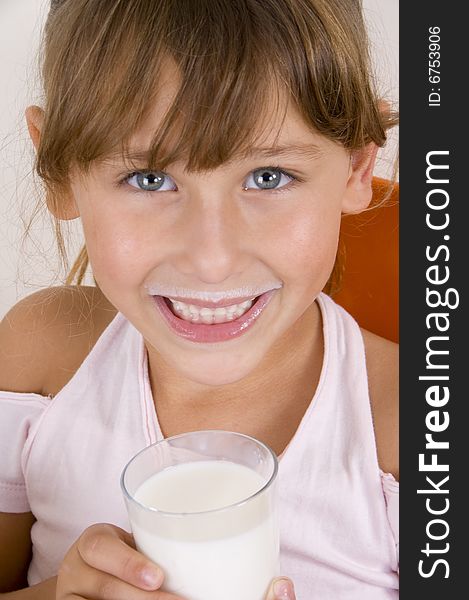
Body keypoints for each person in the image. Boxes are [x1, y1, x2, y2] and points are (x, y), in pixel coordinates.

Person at [0, 0, 399, 598]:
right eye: (149, 179)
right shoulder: (40, 361)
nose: (212, 261)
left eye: (269, 176)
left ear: (355, 168)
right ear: (57, 173)